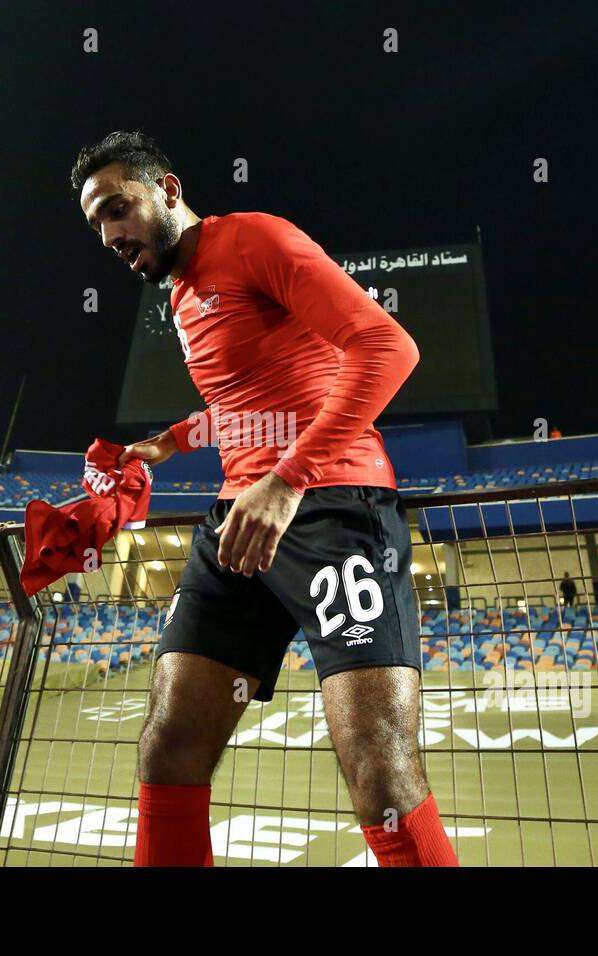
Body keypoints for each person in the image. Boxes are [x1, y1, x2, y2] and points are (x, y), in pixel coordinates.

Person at [72, 131, 456, 867]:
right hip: (237, 524)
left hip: (332, 509)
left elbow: (386, 347)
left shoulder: (254, 239)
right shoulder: (181, 297)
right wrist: (172, 441)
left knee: (380, 771)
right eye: (97, 225)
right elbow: (249, 398)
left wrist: (288, 480)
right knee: (169, 746)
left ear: (169, 191)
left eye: (119, 208)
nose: (111, 234)